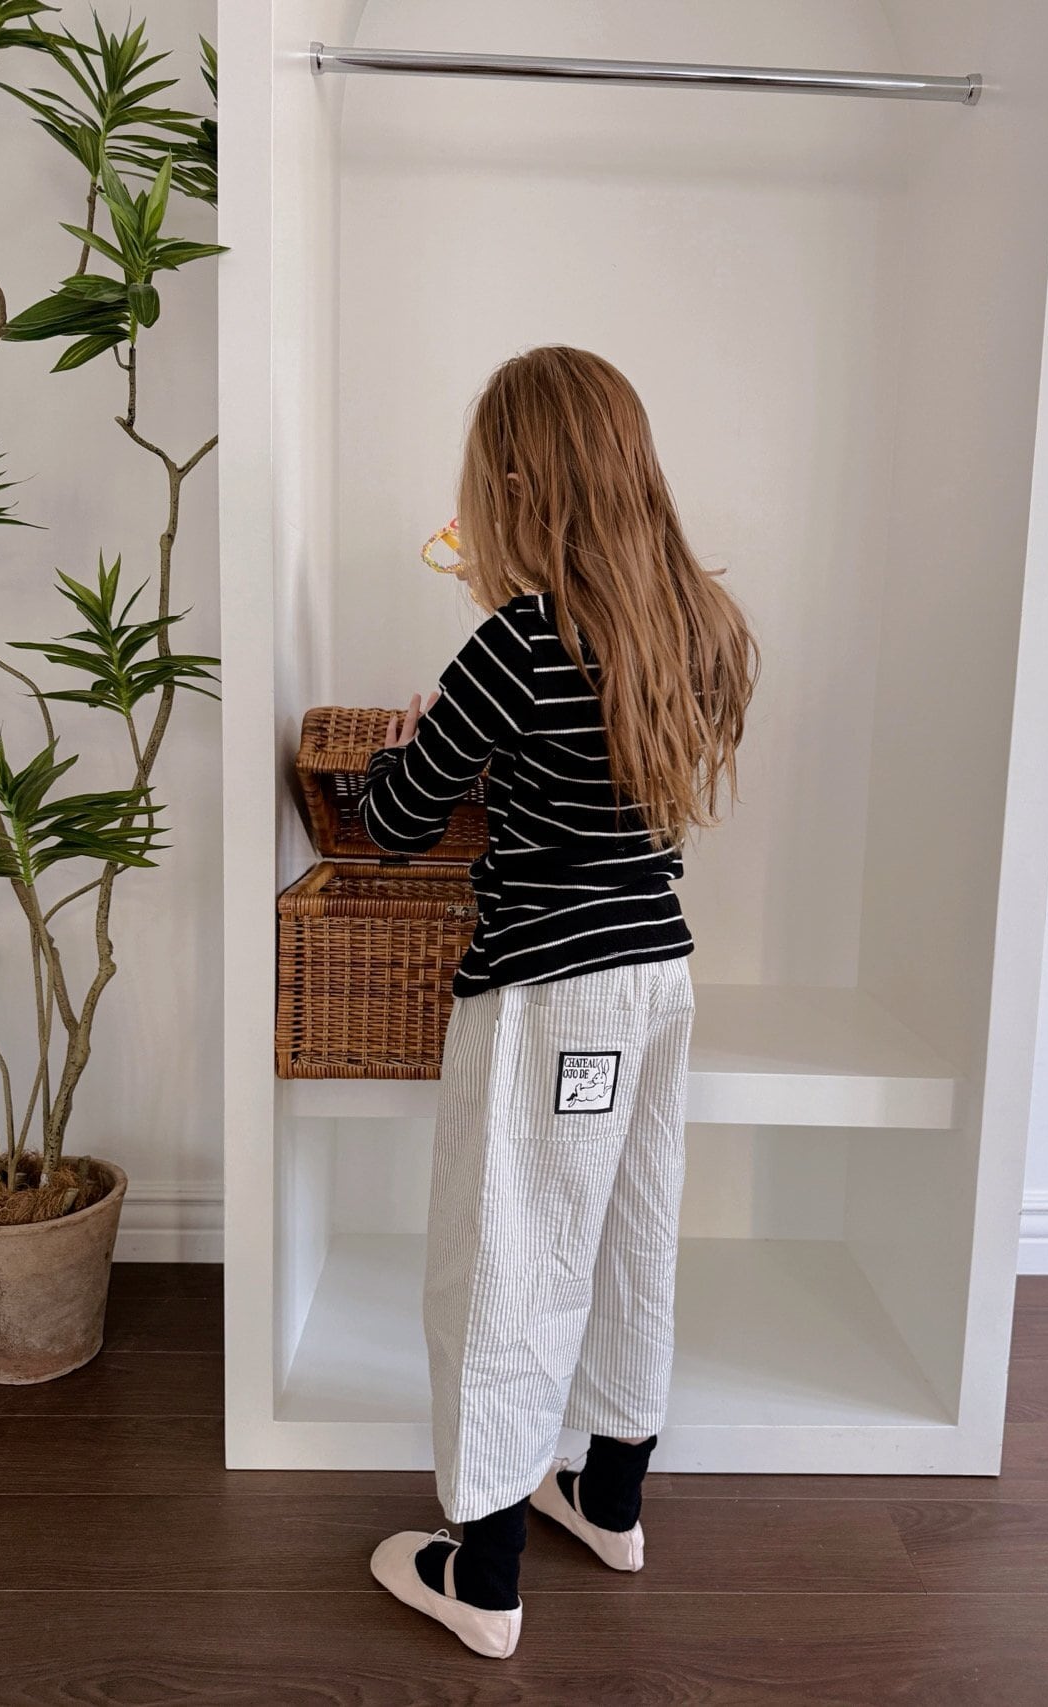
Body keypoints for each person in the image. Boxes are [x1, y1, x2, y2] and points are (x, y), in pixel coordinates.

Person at [364, 345, 759, 1659]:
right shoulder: (699, 628)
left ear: (520, 489)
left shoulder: (518, 643)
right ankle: (611, 1497)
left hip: (548, 1000)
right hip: (657, 984)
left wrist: (403, 751)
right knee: (635, 1228)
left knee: (508, 1257)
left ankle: (481, 1577)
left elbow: (402, 822)